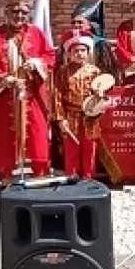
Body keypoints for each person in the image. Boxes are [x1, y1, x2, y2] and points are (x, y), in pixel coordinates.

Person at [0, 0, 56, 186]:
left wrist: (37, 63)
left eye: (24, 12)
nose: (19, 16)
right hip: (5, 93)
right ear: (7, 12)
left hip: (32, 93)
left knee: (37, 134)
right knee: (4, 136)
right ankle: (6, 177)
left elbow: (50, 56)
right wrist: (7, 79)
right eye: (15, 11)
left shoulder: (36, 33)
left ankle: (40, 174)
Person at [51, 29, 105, 179]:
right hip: (71, 115)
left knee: (90, 148)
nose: (79, 54)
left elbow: (101, 94)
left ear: (88, 53)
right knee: (71, 148)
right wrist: (61, 118)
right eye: (75, 51)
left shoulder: (95, 72)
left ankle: (89, 179)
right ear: (69, 54)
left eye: (83, 50)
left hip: (90, 117)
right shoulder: (63, 72)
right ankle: (72, 179)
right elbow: (57, 95)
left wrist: (100, 98)